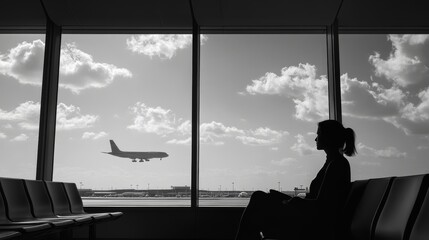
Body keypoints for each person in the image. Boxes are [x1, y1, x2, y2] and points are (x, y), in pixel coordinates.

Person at [235, 119, 356, 240]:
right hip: (310, 219)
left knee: (258, 200)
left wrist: (296, 201)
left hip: (313, 224)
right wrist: (289, 199)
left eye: (318, 134)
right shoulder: (334, 163)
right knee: (259, 201)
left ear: (329, 137)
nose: (315, 139)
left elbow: (323, 206)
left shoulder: (336, 165)